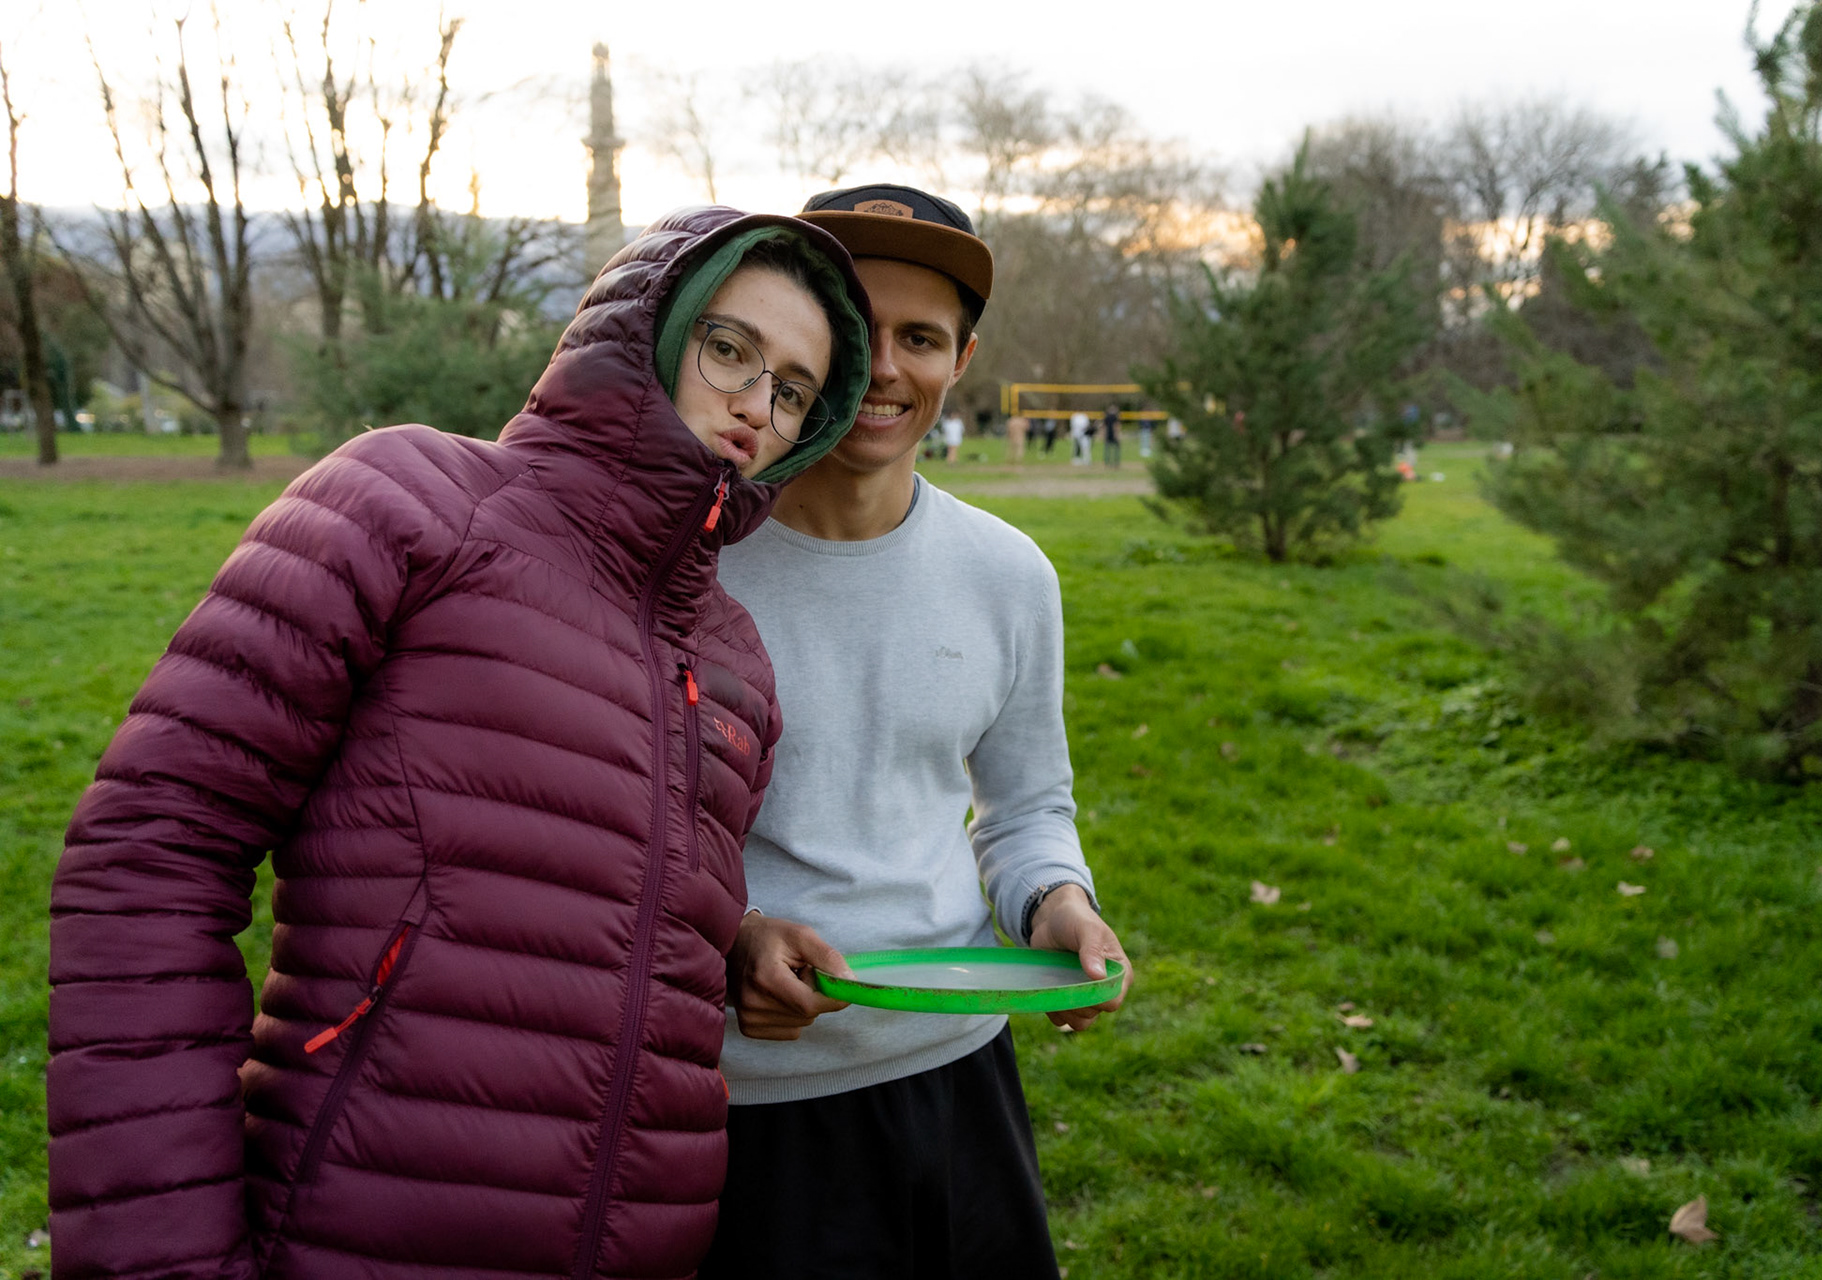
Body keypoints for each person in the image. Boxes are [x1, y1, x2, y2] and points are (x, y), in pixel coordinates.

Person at [45, 207, 872, 1279]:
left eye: (795, 390)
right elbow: (154, 854)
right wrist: (160, 1257)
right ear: (647, 333)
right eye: (729, 349)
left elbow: (606, 914)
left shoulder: (735, 659)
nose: (757, 405)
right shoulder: (409, 502)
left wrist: (738, 939)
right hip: (357, 1234)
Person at [703, 183, 1132, 1279]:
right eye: (858, 331)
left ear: (962, 358)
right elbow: (616, 831)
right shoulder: (688, 568)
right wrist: (734, 932)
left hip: (959, 1071)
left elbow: (1026, 806)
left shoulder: (1009, 575)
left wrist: (1057, 901)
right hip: (747, 1096)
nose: (885, 368)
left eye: (923, 338)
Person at [1101, 403, 1122, 468]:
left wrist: (1103, 435)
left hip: (1108, 435)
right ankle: (1116, 463)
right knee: (1116, 450)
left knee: (1107, 450)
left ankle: (1107, 463)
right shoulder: (1115, 417)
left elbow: (1104, 427)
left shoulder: (1106, 417)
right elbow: (1116, 426)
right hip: (1113, 435)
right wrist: (1117, 435)